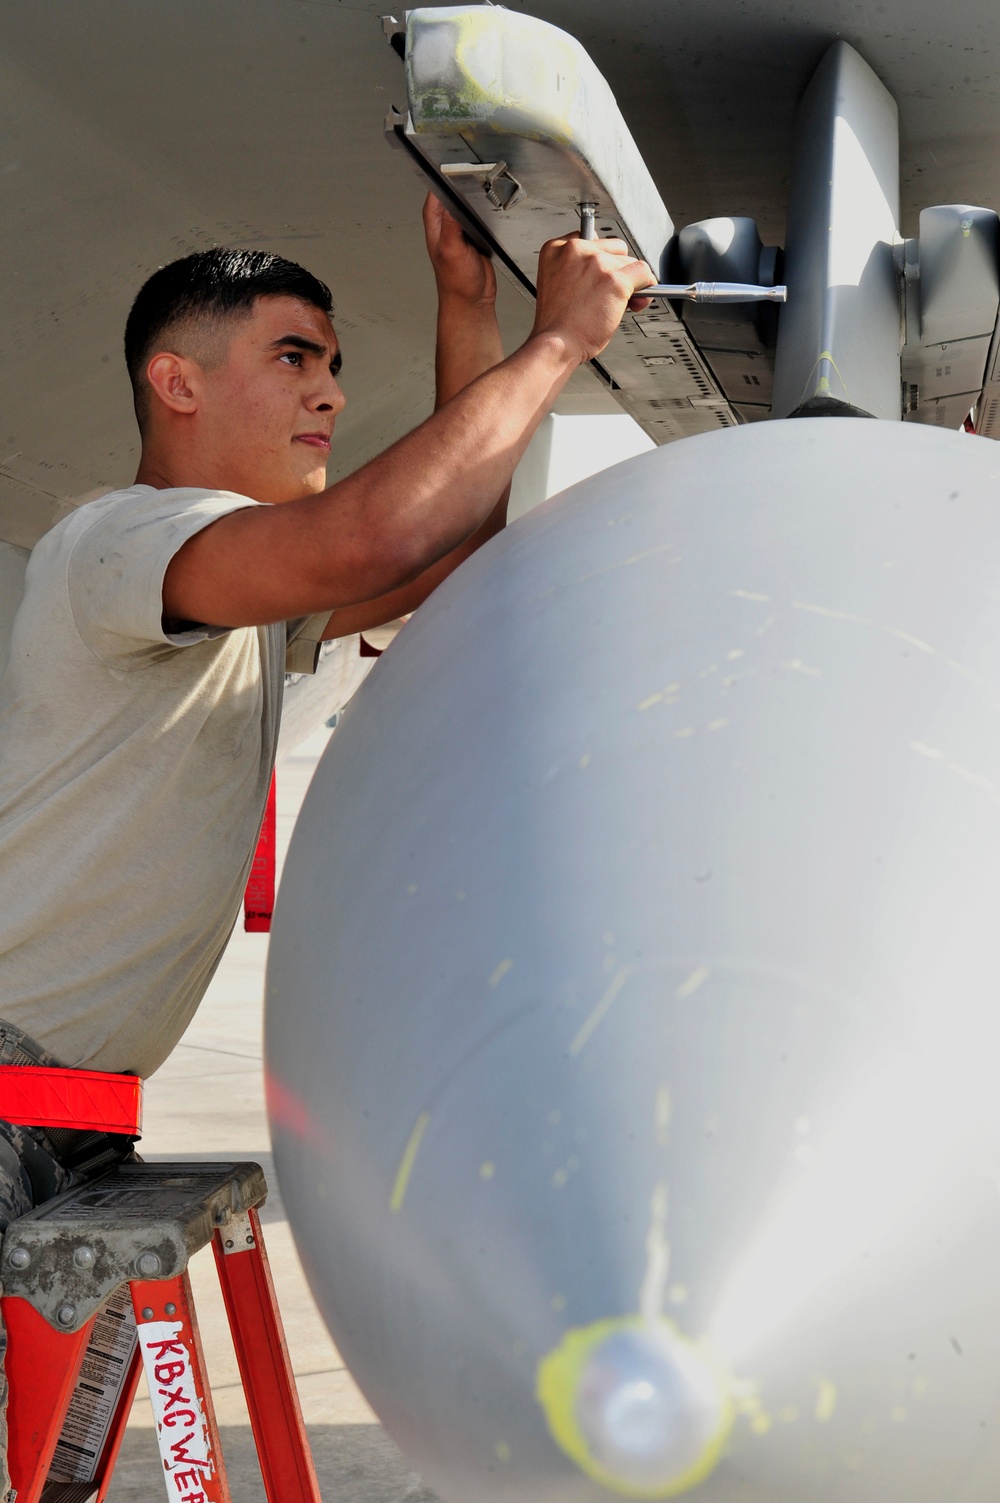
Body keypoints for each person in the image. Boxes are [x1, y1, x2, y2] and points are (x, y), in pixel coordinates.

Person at [0, 194, 652, 1492]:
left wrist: (465, 308)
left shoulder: (236, 598)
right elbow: (379, 532)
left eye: (336, 368)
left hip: (67, 1120)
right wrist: (557, 343)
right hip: (7, 1106)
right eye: (295, 357)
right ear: (174, 381)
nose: (331, 397)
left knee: (48, 1480)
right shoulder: (124, 544)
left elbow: (444, 547)